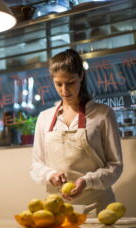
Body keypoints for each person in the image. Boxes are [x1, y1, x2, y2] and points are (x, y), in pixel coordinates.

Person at [30, 49, 123, 215]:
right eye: (59, 84)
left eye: (70, 82)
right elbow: (36, 165)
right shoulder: (44, 118)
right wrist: (50, 174)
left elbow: (115, 165)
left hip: (98, 208)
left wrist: (87, 181)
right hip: (56, 208)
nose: (64, 90)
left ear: (81, 76)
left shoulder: (103, 113)